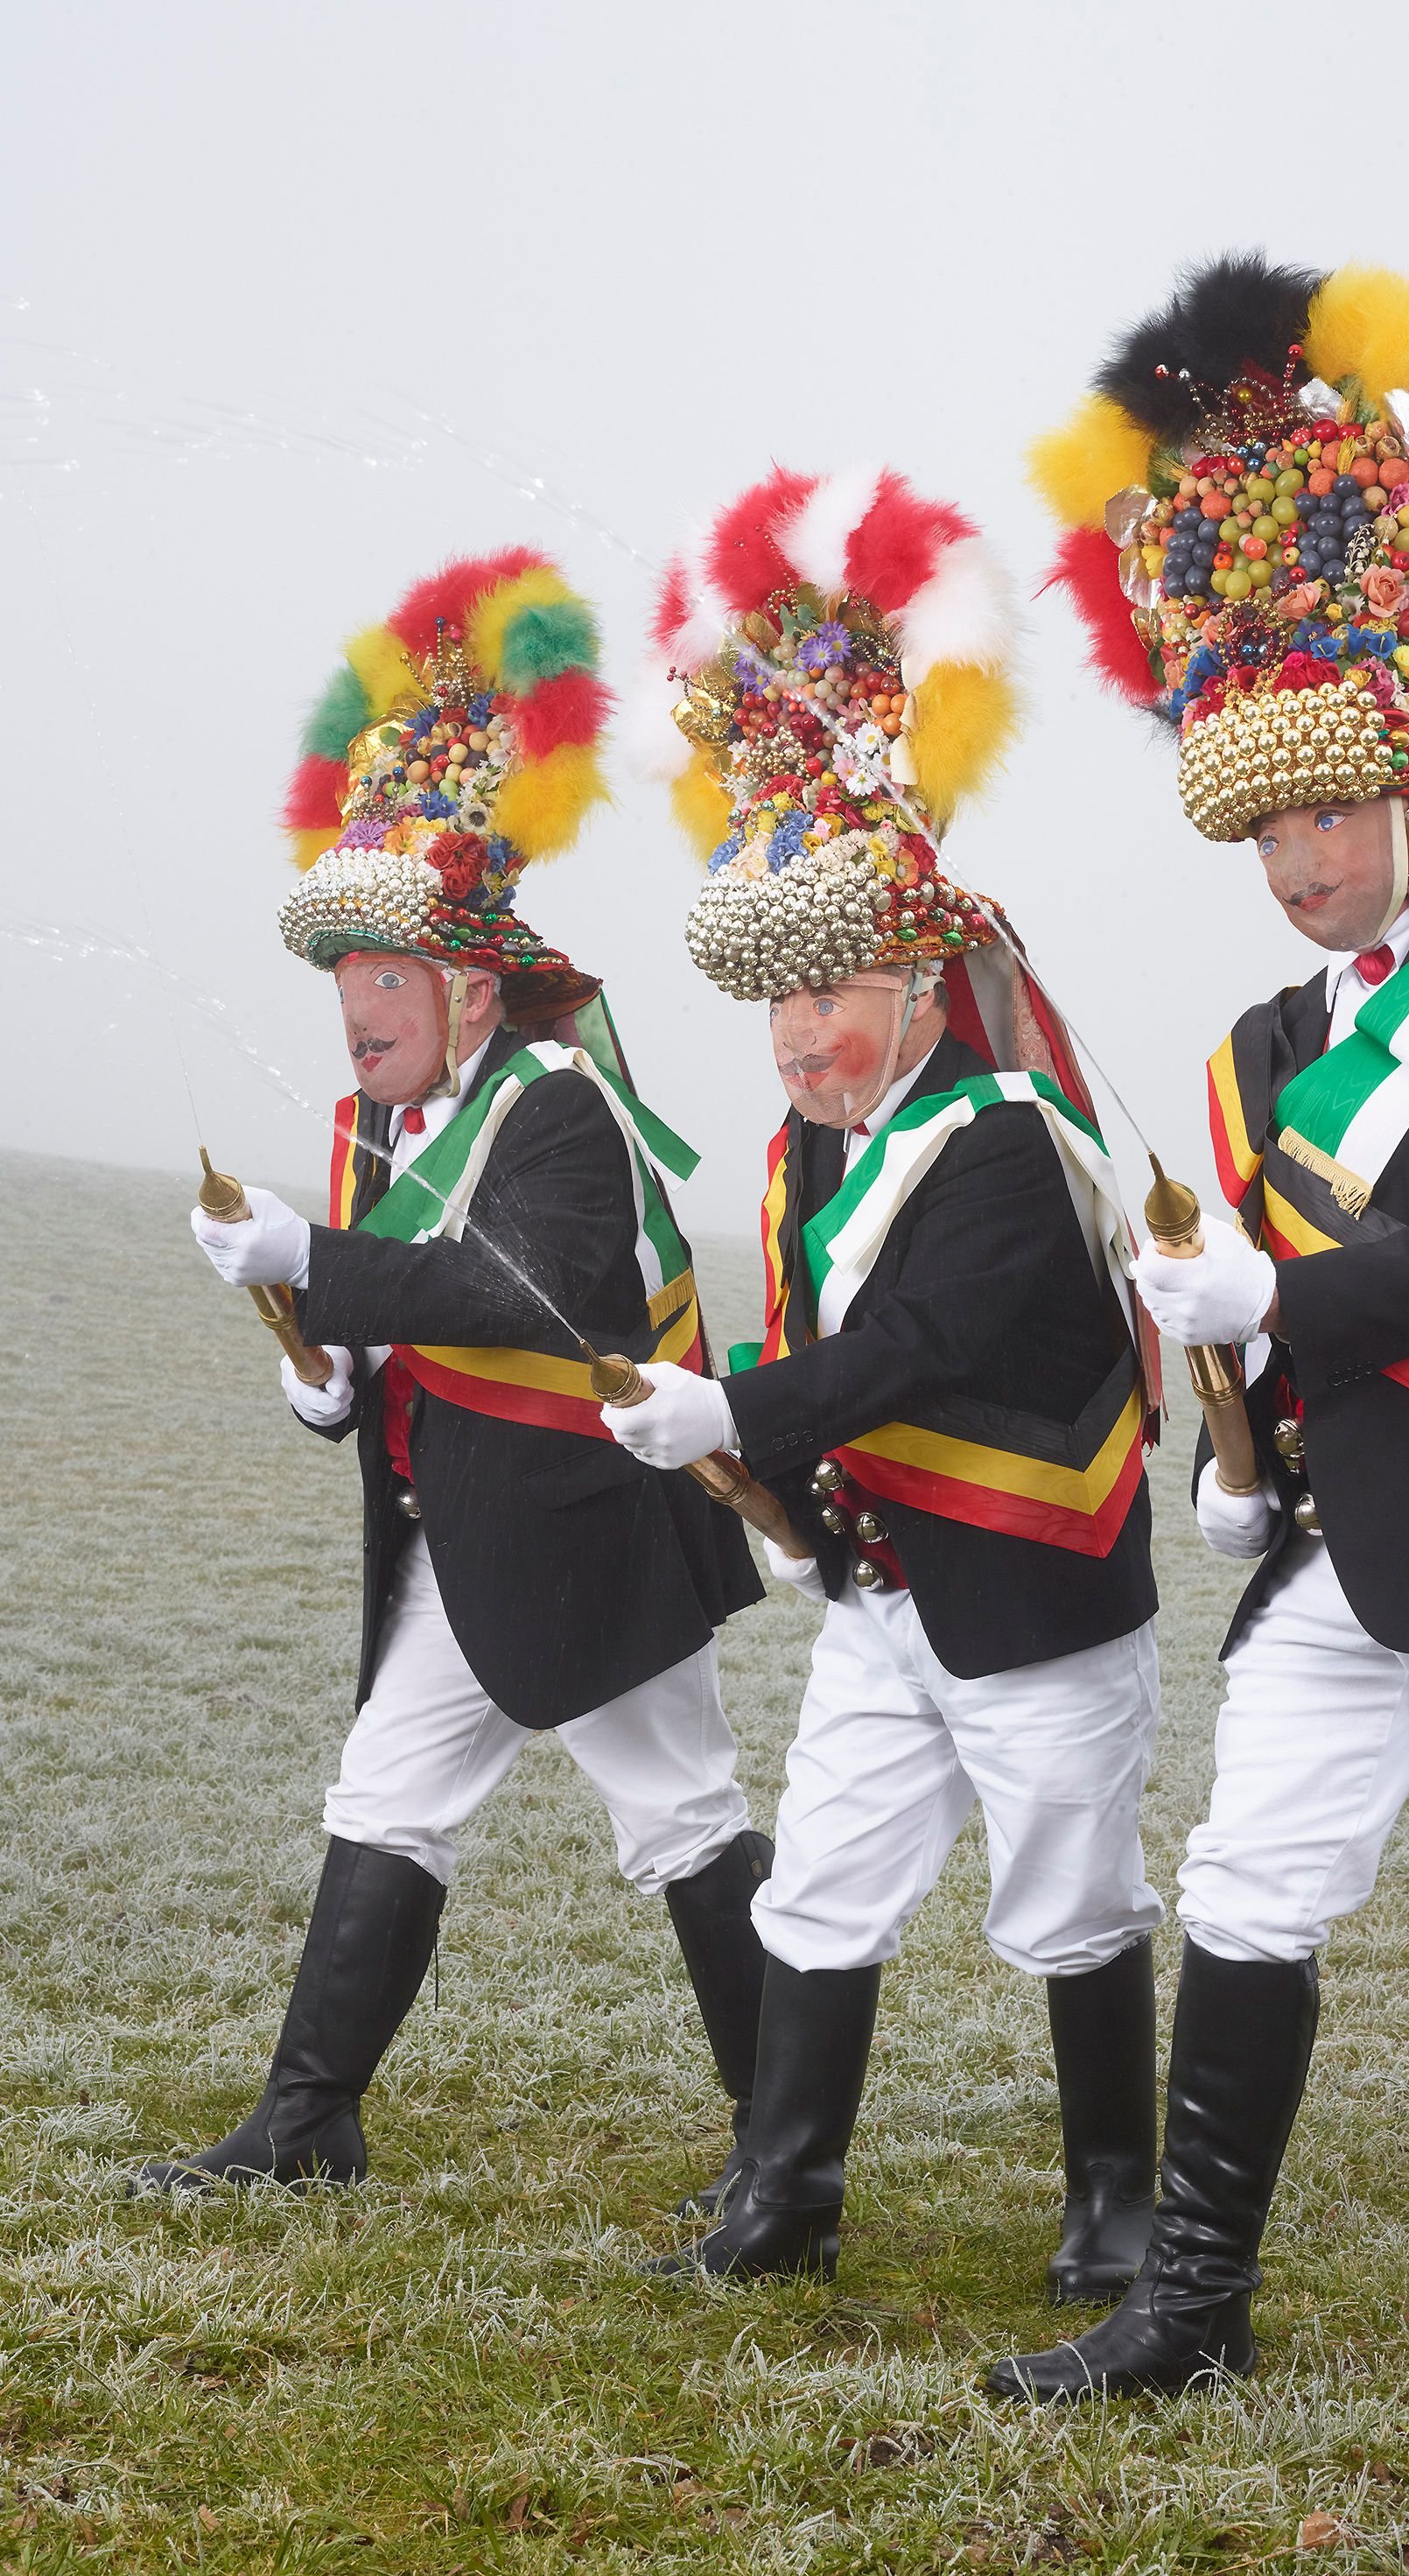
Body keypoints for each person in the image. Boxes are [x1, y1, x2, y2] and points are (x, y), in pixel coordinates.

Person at [993, 258, 1409, 2411]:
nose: (1294, 857)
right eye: (1264, 822)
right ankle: (1192, 2305)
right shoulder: (1257, 1046)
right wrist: (1237, 1423)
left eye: (1324, 811)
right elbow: (1258, 1314)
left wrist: (1275, 1299)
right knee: (1250, 1879)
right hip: (1335, 1534)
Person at [131, 549, 768, 2203]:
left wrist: (312, 1262)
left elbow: (519, 1290)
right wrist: (327, 1376)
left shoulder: (557, 1103)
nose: (356, 1006)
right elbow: (396, 1321)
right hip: (456, 1525)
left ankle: (787, 2148)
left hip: (579, 1522)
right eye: (345, 975)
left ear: (473, 985)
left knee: (681, 1815)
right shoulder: (380, 1121)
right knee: (387, 1793)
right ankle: (307, 2124)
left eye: (387, 973)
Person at [605, 467, 1164, 2299]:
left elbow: (922, 1344)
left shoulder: (1003, 1134)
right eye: (776, 1003)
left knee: (1072, 1896)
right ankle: (786, 2200)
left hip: (1036, 1581)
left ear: (922, 978)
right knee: (821, 1882)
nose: (796, 1033)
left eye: (828, 991)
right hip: (887, 1587)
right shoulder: (806, 1150)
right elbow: (819, 1344)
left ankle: (1117, 2207)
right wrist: (755, 1453)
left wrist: (735, 1416)